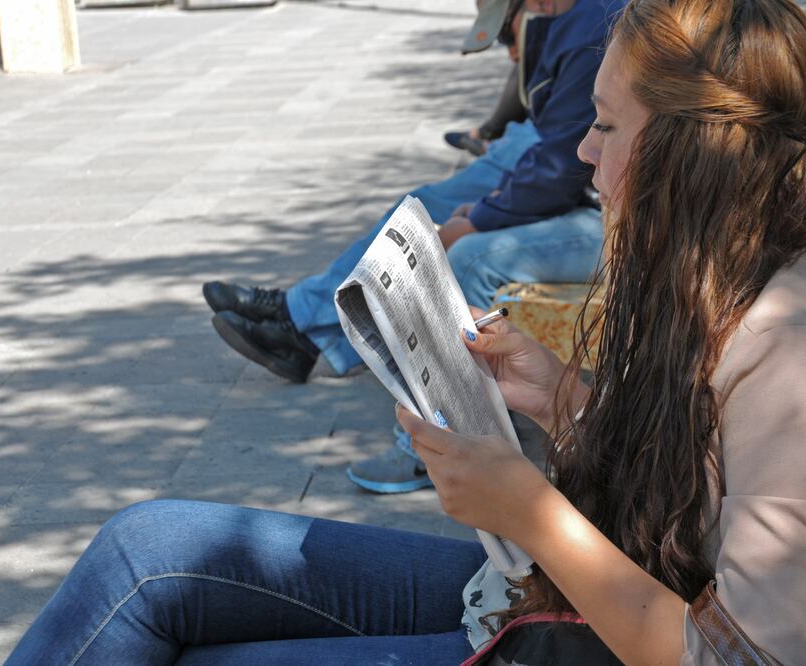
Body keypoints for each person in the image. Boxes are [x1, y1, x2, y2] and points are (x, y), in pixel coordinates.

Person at [7, 0, 806, 662]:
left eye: (607, 126)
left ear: (696, 152)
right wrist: (560, 397)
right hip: (560, 609)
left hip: (595, 636)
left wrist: (526, 508)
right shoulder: (727, 277)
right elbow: (706, 482)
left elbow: (748, 658)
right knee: (147, 548)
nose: (583, 152)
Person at [206, 0, 615, 493]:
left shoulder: (602, 23)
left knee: (465, 255)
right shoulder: (583, 20)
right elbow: (565, 145)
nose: (510, 52)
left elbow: (563, 162)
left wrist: (481, 217)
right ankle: (311, 327)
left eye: (511, 33)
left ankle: (442, 438)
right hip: (593, 196)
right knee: (422, 213)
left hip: (615, 213)